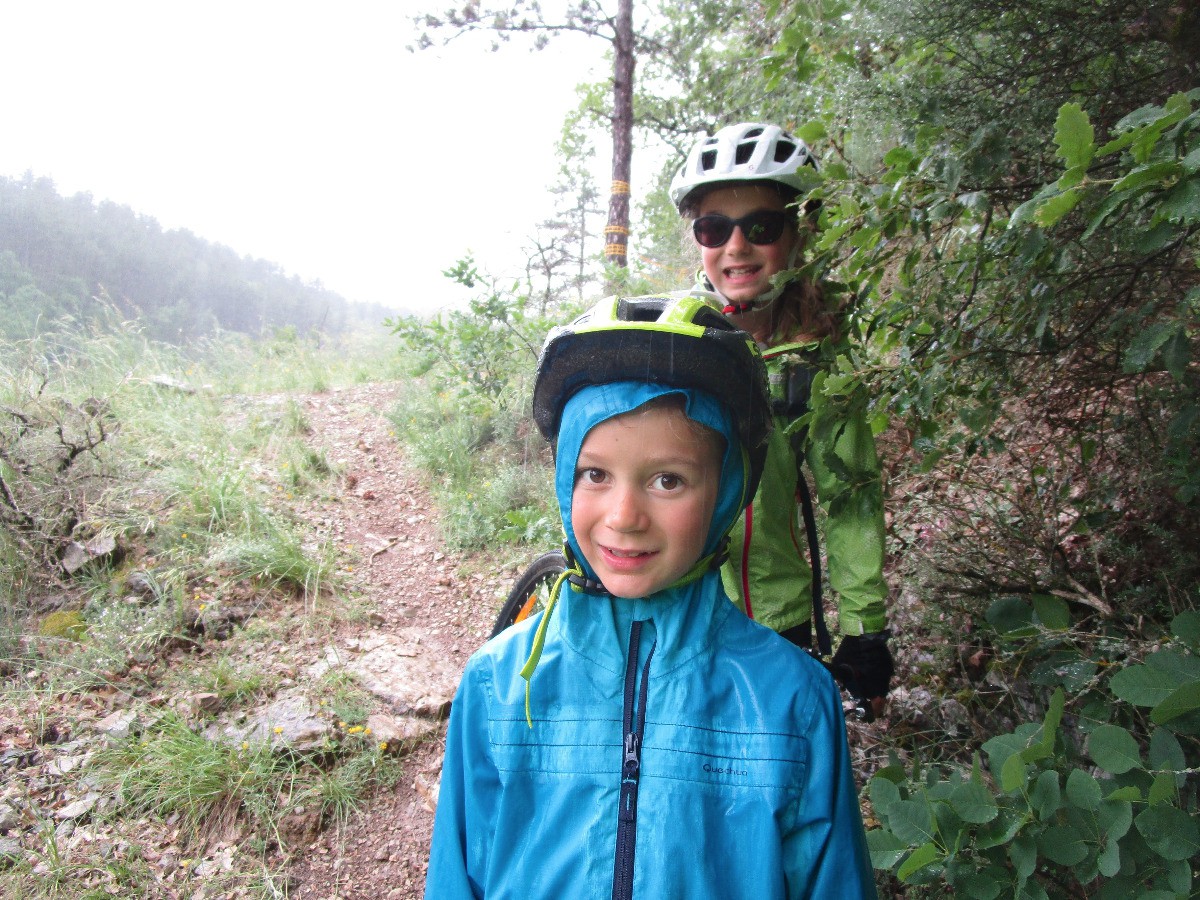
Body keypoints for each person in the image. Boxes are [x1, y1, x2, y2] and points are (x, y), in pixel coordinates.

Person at [425, 294, 876, 899]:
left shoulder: (793, 701)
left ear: (725, 493)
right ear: (565, 478)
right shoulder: (499, 685)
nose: (624, 516)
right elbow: (459, 876)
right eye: (596, 474)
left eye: (668, 480)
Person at [668, 122, 894, 717]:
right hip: (675, 602)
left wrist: (865, 625)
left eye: (761, 227)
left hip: (779, 617)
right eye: (714, 227)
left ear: (797, 234)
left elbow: (850, 496)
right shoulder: (668, 337)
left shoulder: (818, 356)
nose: (735, 247)